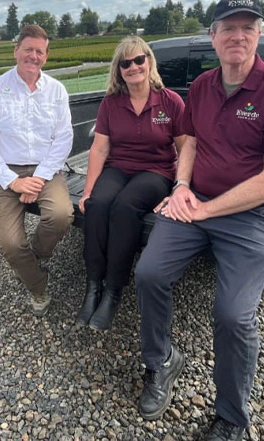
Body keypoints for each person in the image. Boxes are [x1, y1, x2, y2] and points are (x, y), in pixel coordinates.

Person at [133, 0, 264, 441]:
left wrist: (206, 208)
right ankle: (161, 362)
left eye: (247, 27)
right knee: (149, 273)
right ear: (213, 37)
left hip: (254, 218)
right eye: (228, 28)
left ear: (259, 35)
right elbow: (189, 142)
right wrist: (182, 187)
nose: (238, 35)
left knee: (232, 314)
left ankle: (231, 416)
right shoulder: (203, 88)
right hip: (197, 202)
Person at [76, 37, 186, 330]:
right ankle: (92, 287)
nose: (133, 66)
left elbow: (186, 148)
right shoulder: (111, 104)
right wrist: (87, 191)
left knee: (125, 208)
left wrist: (180, 188)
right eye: (126, 63)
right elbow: (99, 149)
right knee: (98, 206)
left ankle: (113, 291)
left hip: (156, 171)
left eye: (139, 60)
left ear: (149, 62)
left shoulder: (170, 102)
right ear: (119, 70)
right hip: (119, 167)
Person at [0, 24, 74, 316]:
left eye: (39, 51)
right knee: (9, 242)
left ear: (46, 55)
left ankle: (34, 256)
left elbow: (64, 138)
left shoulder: (56, 90)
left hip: (45, 169)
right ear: (16, 50)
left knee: (61, 216)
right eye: (28, 49)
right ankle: (38, 285)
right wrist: (14, 182)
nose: (33, 56)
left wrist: (39, 177)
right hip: (7, 170)